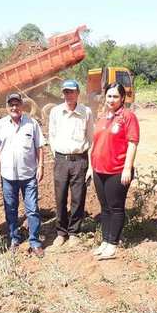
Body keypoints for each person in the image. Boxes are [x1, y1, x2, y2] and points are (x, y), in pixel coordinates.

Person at [0, 92, 46, 257]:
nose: (14, 107)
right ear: (7, 107)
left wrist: (41, 166)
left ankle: (34, 241)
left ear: (22, 106)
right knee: (10, 209)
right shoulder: (0, 125)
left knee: (32, 209)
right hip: (8, 176)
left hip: (28, 176)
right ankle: (14, 239)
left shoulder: (32, 123)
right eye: (11, 104)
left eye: (17, 104)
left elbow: (39, 147)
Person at [90, 83, 139, 260]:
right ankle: (105, 241)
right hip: (99, 169)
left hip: (117, 170)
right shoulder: (103, 118)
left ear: (122, 98)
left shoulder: (128, 117)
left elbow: (133, 142)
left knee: (116, 207)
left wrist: (127, 167)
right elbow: (96, 144)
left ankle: (113, 244)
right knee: (104, 208)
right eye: (109, 96)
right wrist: (91, 167)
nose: (111, 100)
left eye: (115, 97)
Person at [48, 79, 93, 248]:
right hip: (61, 160)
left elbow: (91, 138)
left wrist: (90, 165)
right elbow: (51, 135)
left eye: (72, 92)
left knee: (78, 197)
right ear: (62, 93)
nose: (69, 95)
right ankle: (61, 233)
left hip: (80, 160)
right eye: (66, 92)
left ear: (78, 93)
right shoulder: (55, 112)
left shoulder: (86, 112)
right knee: (60, 197)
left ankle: (74, 232)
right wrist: (57, 156)